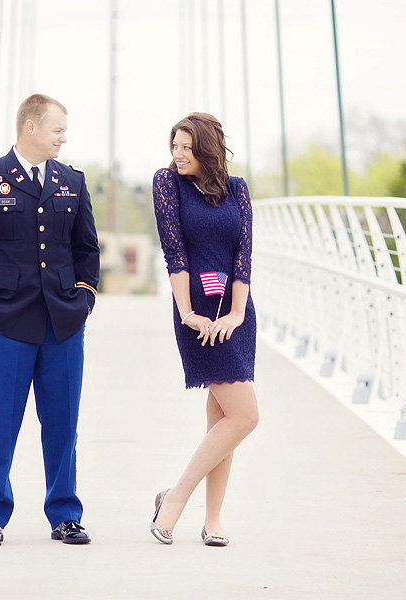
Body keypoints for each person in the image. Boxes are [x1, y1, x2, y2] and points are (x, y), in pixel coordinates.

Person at [0, 93, 100, 547]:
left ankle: (65, 515)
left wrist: (85, 300)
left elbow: (87, 250)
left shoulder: (72, 180)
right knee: (1, 426)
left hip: (64, 324)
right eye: (57, 129)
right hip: (6, 323)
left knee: (62, 424)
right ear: (30, 127)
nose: (63, 137)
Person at [149, 112, 259, 546]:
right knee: (246, 415)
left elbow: (242, 256)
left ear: (207, 149)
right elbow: (174, 252)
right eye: (174, 146)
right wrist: (187, 313)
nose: (177, 155)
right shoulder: (166, 183)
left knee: (224, 419)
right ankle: (176, 497)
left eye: (186, 148)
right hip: (196, 315)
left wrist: (235, 314)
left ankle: (213, 520)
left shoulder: (237, 189)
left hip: (236, 316)